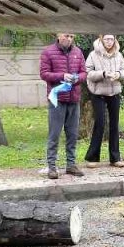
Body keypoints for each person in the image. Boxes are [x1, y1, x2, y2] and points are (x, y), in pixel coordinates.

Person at [40, 32, 87, 179]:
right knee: (54, 134)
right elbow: (44, 74)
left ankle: (71, 165)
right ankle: (52, 167)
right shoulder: (48, 52)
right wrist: (62, 76)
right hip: (57, 99)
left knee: (72, 134)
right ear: (59, 35)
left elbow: (84, 73)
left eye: (72, 36)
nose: (69, 39)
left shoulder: (78, 52)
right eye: (67, 35)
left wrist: (77, 78)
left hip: (74, 99)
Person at [84, 34, 124, 168]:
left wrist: (118, 75)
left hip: (114, 93)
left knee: (114, 124)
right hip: (98, 93)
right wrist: (103, 74)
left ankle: (115, 158)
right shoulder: (93, 54)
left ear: (115, 40)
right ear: (101, 39)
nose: (109, 42)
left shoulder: (118, 55)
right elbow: (88, 73)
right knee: (100, 123)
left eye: (111, 39)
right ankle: (93, 157)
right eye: (106, 39)